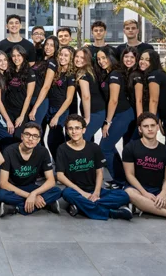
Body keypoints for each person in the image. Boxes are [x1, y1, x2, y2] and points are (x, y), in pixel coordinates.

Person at [56, 115, 132, 220]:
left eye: (77, 128)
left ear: (83, 130)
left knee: (124, 195)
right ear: (67, 131)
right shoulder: (62, 149)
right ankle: (110, 213)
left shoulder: (94, 147)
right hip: (76, 191)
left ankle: (82, 207)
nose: (74, 131)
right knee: (67, 193)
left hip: (95, 189)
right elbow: (60, 176)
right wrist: (83, 194)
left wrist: (96, 193)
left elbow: (99, 172)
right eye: (70, 128)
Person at [0, 121, 62, 217]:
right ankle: (45, 204)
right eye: (27, 135)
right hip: (13, 188)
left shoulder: (43, 152)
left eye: (35, 136)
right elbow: (3, 183)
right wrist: (29, 196)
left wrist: (34, 194)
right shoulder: (9, 151)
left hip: (30, 187)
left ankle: (15, 208)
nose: (30, 139)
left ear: (38, 140)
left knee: (57, 191)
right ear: (22, 136)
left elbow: (51, 181)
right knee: (1, 195)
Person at [96, 47, 135, 187]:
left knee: (104, 148)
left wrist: (107, 122)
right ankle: (121, 178)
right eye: (98, 59)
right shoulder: (107, 73)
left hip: (123, 114)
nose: (101, 61)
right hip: (117, 115)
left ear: (111, 57)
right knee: (110, 147)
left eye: (104, 58)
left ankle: (120, 180)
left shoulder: (114, 74)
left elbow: (114, 100)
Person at [38, 46, 76, 158]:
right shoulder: (56, 71)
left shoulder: (71, 75)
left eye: (66, 55)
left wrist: (56, 116)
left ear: (71, 58)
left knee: (52, 140)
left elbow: (69, 99)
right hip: (49, 108)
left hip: (60, 110)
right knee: (56, 140)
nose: (62, 57)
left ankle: (62, 163)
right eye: (61, 55)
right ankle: (61, 163)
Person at [74, 47, 106, 143]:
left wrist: (87, 118)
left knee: (81, 139)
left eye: (82, 58)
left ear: (87, 60)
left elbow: (86, 96)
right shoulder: (90, 71)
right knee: (89, 141)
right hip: (95, 110)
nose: (78, 59)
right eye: (77, 56)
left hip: (94, 112)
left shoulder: (83, 74)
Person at [27, 35, 59, 127]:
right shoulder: (41, 60)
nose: (48, 47)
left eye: (52, 45)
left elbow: (46, 87)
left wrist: (35, 108)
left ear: (56, 48)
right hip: (31, 97)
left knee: (33, 129)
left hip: (40, 101)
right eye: (47, 44)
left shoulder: (52, 62)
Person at [6, 45, 36, 137]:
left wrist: (22, 116)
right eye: (14, 56)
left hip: (21, 110)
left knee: (18, 136)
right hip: (9, 110)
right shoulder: (9, 71)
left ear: (23, 56)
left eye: (19, 55)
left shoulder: (29, 72)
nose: (16, 58)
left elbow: (29, 96)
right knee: (8, 136)